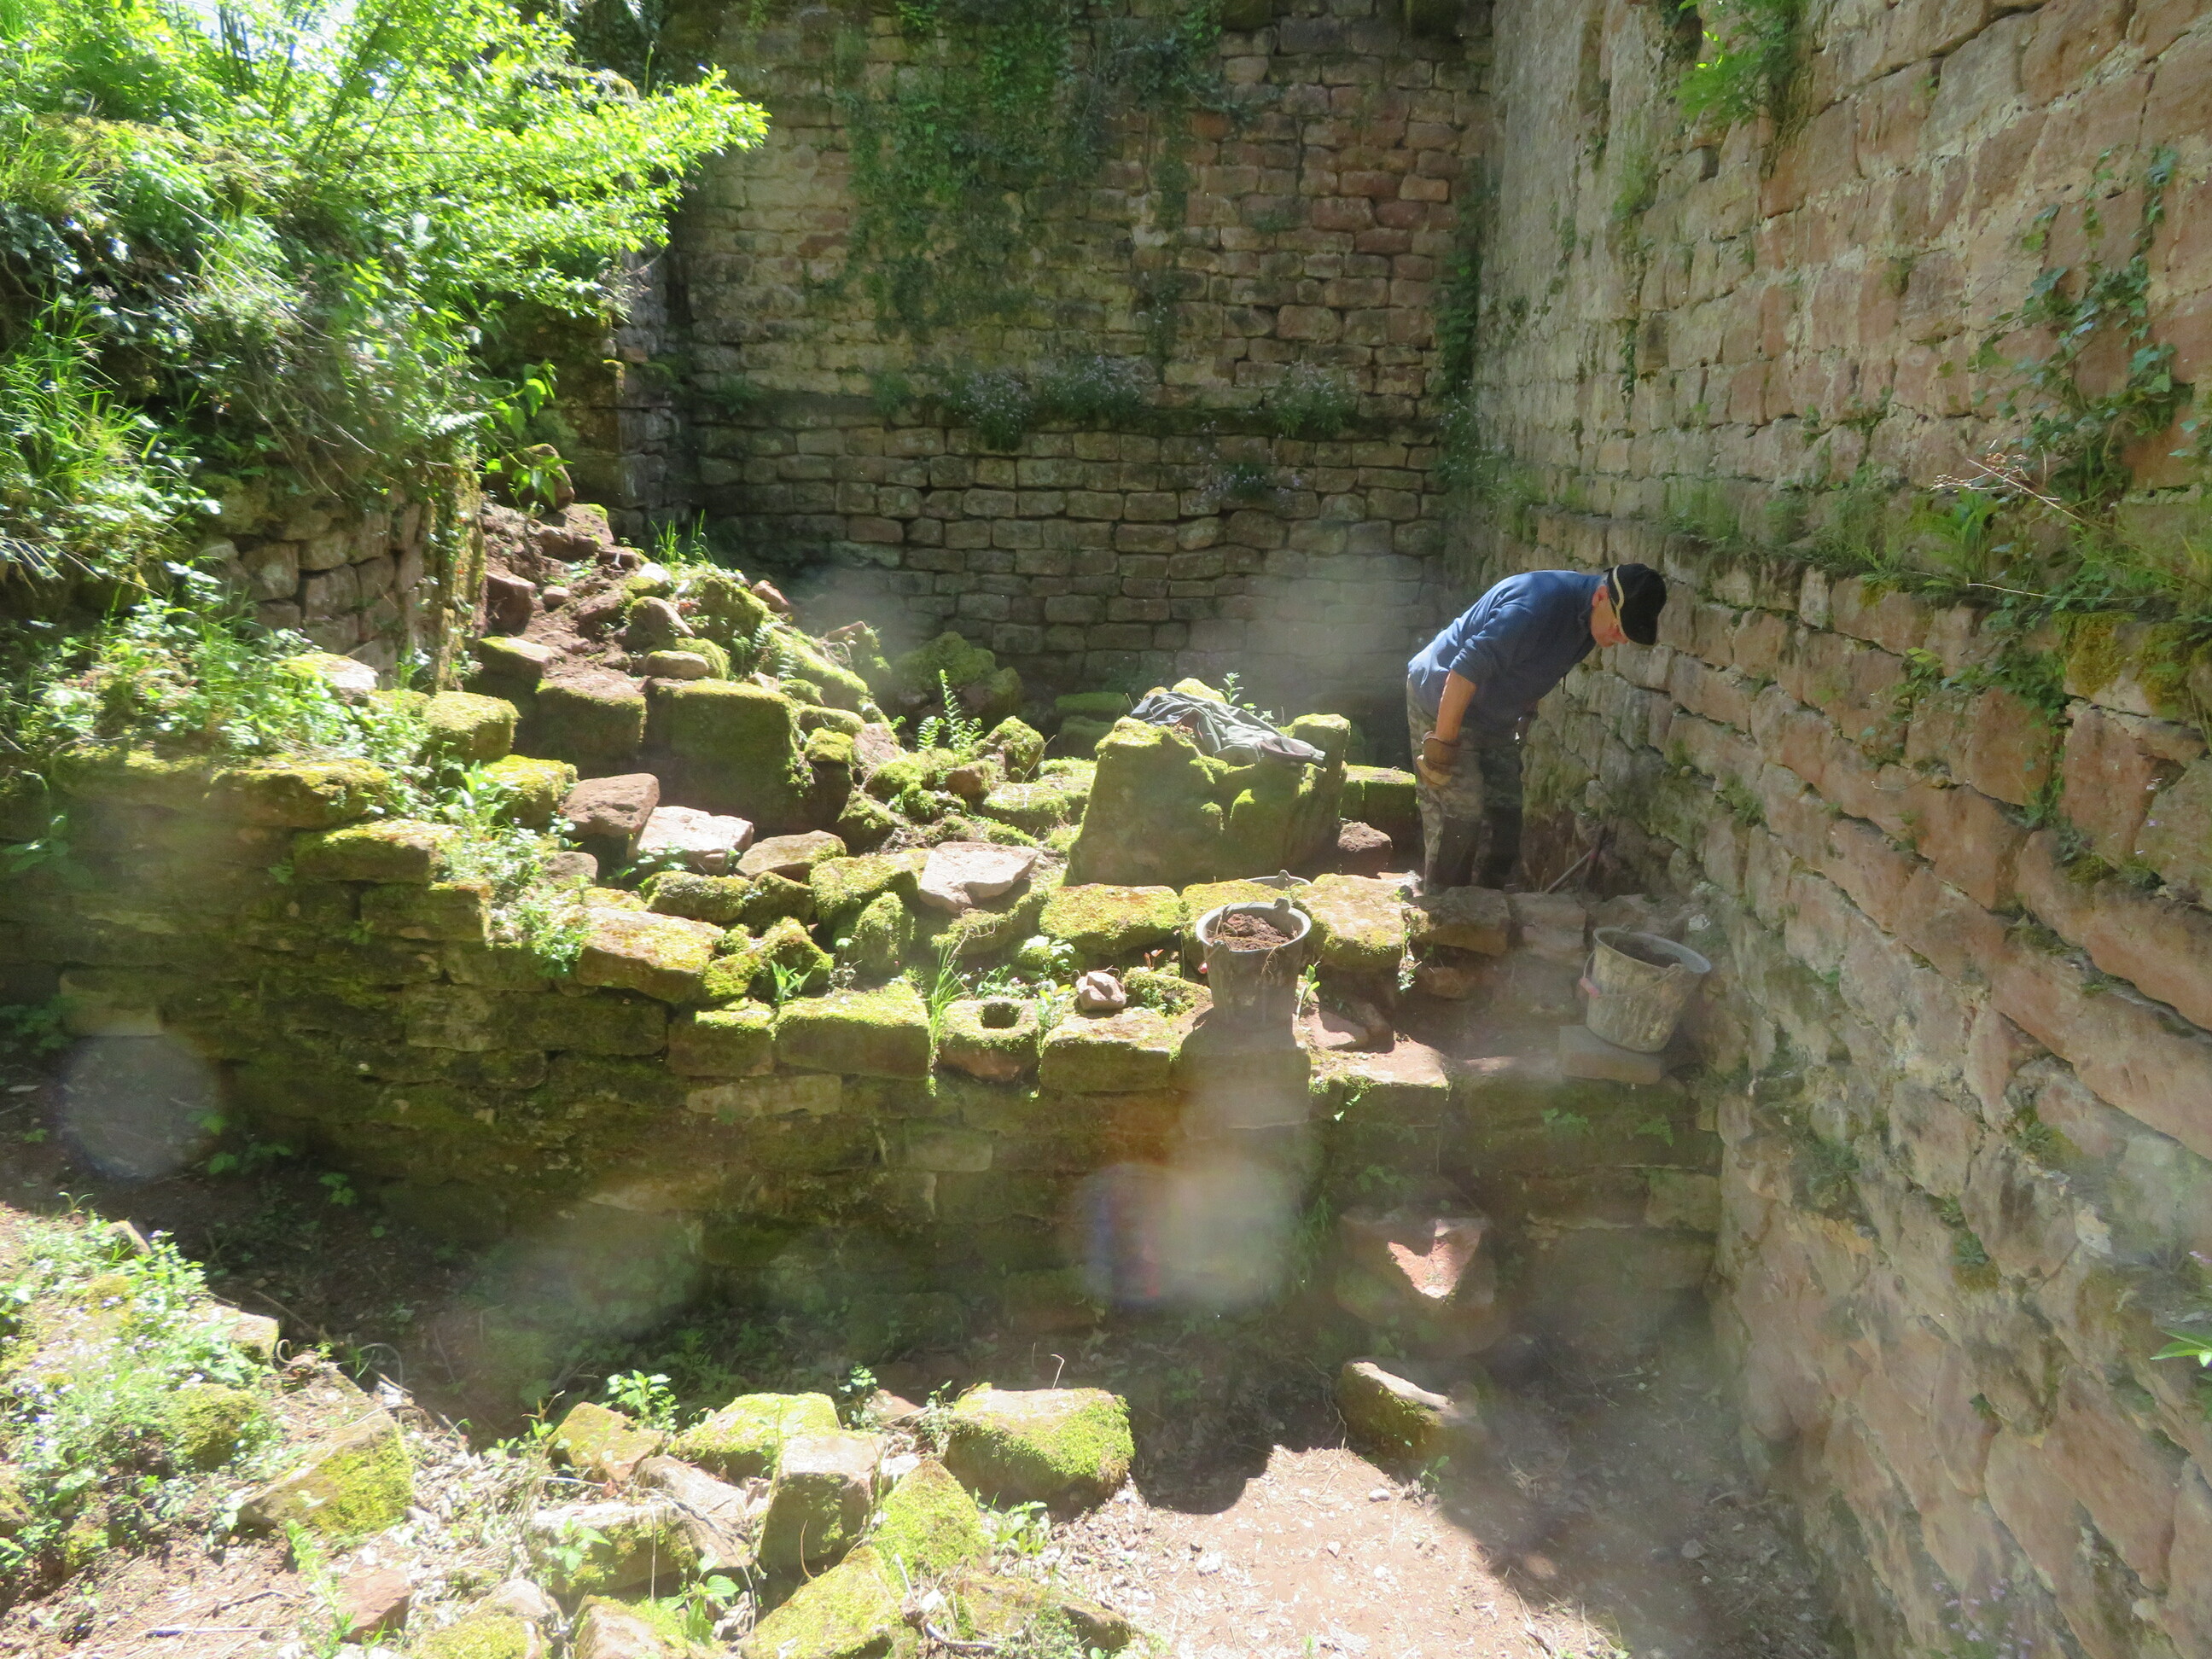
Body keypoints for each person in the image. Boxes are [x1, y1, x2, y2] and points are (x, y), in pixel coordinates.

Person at [1406, 563, 1667, 891]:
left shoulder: (1590, 623)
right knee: (1461, 813)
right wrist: (1442, 747)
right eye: (1618, 627)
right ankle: (1443, 905)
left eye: (1625, 634)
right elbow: (1464, 671)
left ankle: (1487, 901)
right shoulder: (1535, 609)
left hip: (1492, 717)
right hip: (1442, 698)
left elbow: (1537, 673)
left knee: (1506, 816)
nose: (1619, 639)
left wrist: (1518, 724)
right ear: (1601, 597)